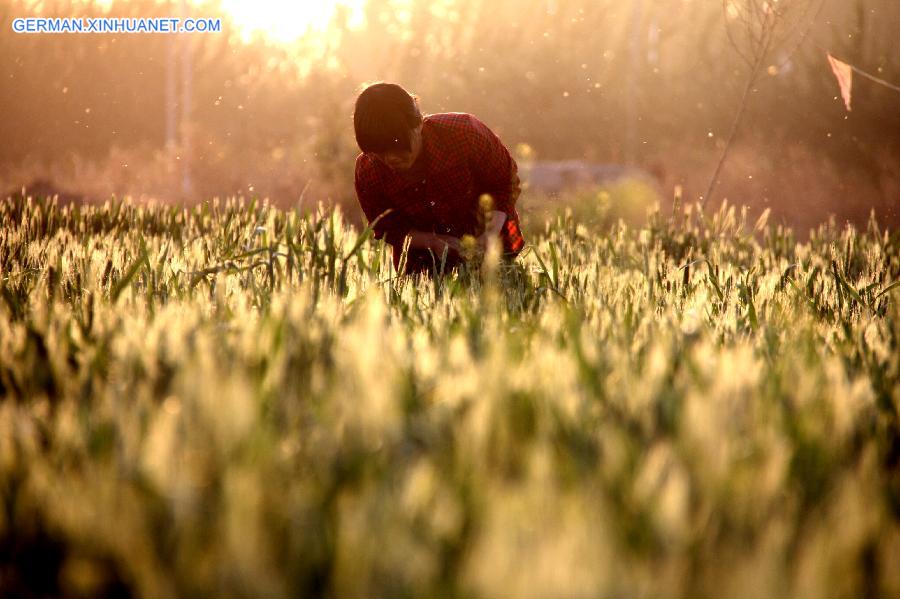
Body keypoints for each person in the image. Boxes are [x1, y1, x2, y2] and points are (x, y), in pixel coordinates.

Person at [352, 82, 525, 275]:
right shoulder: (368, 170)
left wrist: (488, 235)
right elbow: (387, 227)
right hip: (423, 270)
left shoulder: (465, 133)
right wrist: (432, 241)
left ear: (417, 123)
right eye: (379, 153)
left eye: (397, 147)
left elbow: (503, 182)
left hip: (498, 254)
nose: (390, 158)